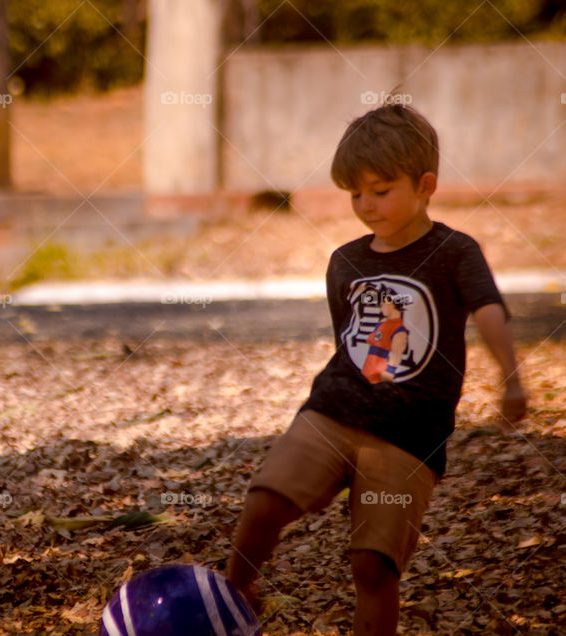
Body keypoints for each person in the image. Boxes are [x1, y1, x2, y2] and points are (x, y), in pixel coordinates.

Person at [225, 104, 527, 636]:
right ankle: (232, 596)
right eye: (355, 193)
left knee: (372, 565)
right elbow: (348, 342)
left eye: (381, 190)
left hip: (410, 436)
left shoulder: (454, 252)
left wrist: (511, 378)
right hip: (333, 411)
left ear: (425, 184)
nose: (366, 205)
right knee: (265, 501)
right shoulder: (345, 261)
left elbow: (488, 311)